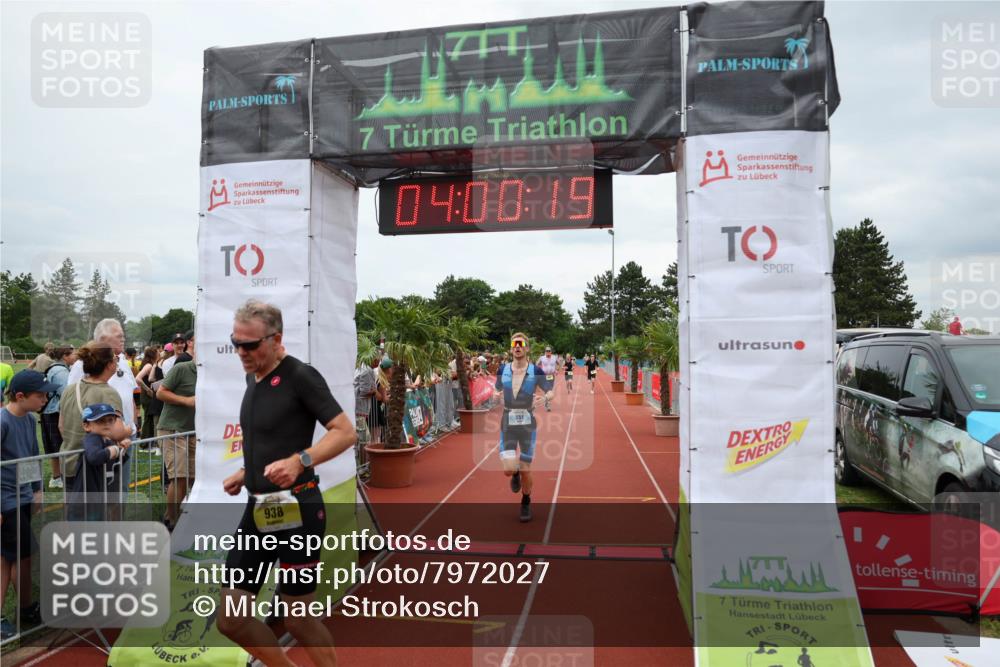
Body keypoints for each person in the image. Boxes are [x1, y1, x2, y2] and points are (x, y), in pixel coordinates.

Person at [217, 299, 355, 667]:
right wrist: (247, 473)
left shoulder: (300, 376)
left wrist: (300, 461)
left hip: (299, 509)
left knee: (297, 617)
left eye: (250, 345)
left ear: (276, 339)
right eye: (236, 343)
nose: (241, 352)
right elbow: (271, 439)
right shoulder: (253, 377)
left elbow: (345, 433)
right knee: (231, 619)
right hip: (259, 510)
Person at [1, 370, 57, 639]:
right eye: (40, 395)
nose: (45, 399)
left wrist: (37, 490)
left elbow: (34, 456)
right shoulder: (2, 421)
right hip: (6, 501)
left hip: (22, 497)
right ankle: (19, 612)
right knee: (11, 558)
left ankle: (25, 608)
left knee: (19, 557)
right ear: (20, 396)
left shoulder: (29, 419)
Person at [67, 319, 138, 488]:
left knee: (121, 489)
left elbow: (130, 397)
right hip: (100, 443)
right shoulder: (82, 365)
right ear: (102, 339)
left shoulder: (122, 362)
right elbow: (74, 399)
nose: (123, 338)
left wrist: (132, 427)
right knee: (105, 494)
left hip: (125, 439)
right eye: (119, 335)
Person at [494, 333, 554, 523]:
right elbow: (496, 388)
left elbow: (550, 390)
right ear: (511, 348)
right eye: (514, 344)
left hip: (528, 423)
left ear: (527, 348)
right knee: (509, 470)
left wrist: (545, 398)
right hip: (508, 422)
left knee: (527, 468)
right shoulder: (502, 369)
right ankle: (515, 473)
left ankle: (526, 500)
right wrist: (496, 395)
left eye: (521, 344)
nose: (517, 347)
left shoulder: (535, 371)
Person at [59, 342, 129, 490]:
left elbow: (61, 426)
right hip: (95, 468)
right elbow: (117, 433)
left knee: (74, 511)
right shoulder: (108, 393)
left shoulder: (70, 388)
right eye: (115, 358)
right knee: (101, 511)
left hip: (68, 463)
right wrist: (131, 429)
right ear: (110, 364)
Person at [157, 333, 197, 531]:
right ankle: (173, 523)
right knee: (179, 476)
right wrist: (187, 401)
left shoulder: (209, 373)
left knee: (192, 477)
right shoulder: (182, 368)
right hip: (172, 428)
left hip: (192, 431)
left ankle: (170, 517)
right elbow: (160, 392)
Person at [69, 404, 132, 521]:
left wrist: (121, 451)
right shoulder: (93, 438)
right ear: (86, 426)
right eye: (100, 421)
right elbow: (94, 457)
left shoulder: (107, 441)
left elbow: (113, 466)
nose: (107, 424)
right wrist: (111, 451)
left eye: (110, 420)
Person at [41, 346, 75, 489]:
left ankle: (56, 477)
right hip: (56, 413)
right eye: (73, 354)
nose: (75, 356)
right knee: (60, 446)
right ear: (65, 356)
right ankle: (61, 476)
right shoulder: (61, 371)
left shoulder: (53, 368)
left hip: (48, 412)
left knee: (52, 447)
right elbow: (66, 394)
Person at [536, 346, 560, 412]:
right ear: (545, 352)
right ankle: (548, 405)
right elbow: (537, 364)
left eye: (549, 351)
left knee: (550, 390)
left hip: (552, 376)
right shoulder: (542, 358)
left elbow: (558, 364)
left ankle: (546, 401)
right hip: (544, 376)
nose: (548, 352)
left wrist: (557, 370)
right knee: (548, 390)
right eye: (546, 351)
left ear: (551, 352)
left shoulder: (554, 358)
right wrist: (539, 371)